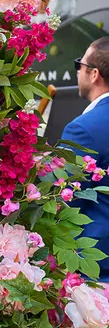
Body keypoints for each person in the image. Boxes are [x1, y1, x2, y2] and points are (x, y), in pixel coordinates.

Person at [62, 37, 109, 281]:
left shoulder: (83, 130)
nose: (78, 70)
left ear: (94, 74)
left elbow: (63, 198)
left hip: (99, 272)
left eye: (79, 64)